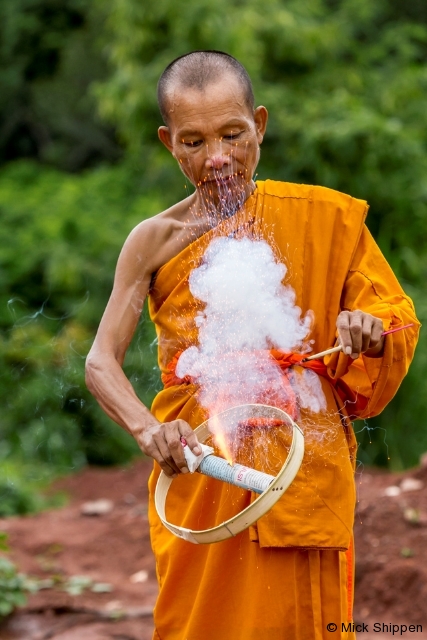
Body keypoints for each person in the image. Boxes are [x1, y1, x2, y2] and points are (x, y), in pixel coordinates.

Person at [85, 51, 419, 640]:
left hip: (300, 467)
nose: (216, 159)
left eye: (233, 135)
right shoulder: (154, 241)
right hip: (203, 467)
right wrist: (147, 430)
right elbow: (100, 362)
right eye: (193, 142)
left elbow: (391, 317)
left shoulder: (325, 217)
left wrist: (365, 330)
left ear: (259, 125)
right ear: (168, 142)